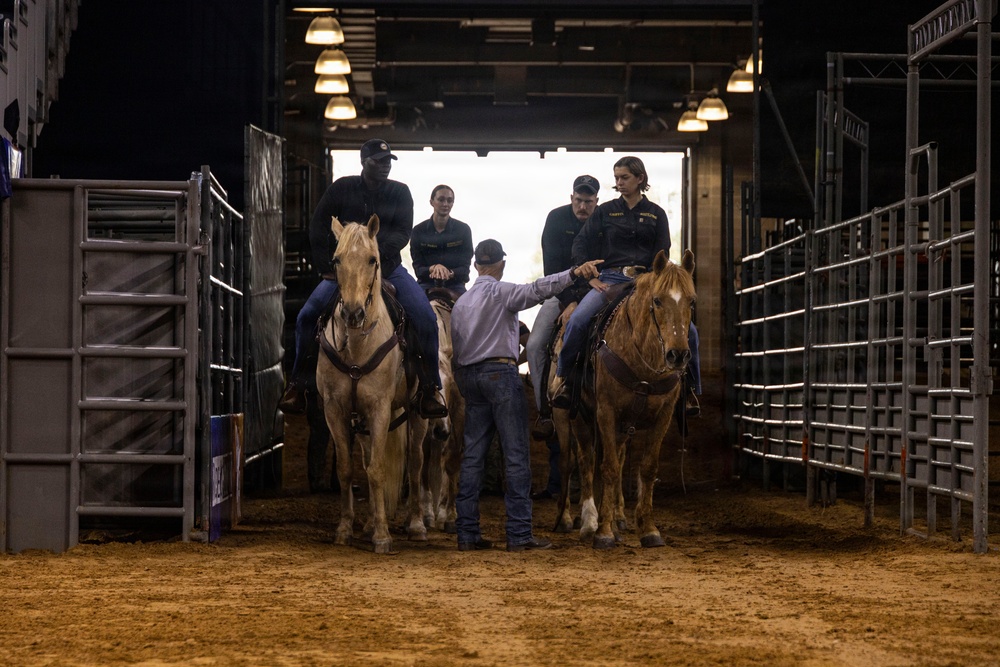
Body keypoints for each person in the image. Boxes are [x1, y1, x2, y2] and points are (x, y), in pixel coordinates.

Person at [279, 138, 448, 419]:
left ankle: (430, 388)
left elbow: (403, 232)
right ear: (363, 162)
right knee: (306, 317)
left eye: (387, 163)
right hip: (344, 273)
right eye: (377, 162)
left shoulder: (400, 192)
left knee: (424, 317)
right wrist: (328, 267)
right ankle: (299, 386)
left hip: (388, 268)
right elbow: (318, 225)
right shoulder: (341, 188)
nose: (384, 167)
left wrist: (373, 252)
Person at [451, 238, 602, 552]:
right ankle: (519, 534)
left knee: (473, 457)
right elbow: (538, 290)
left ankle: (467, 533)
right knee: (516, 456)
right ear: (501, 264)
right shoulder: (502, 292)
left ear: (475, 265)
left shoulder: (462, 303)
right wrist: (573, 273)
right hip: (500, 375)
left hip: (469, 377)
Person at [551, 155, 702, 410]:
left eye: (624, 178)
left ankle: (690, 391)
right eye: (616, 178)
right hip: (610, 280)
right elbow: (580, 243)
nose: (619, 183)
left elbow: (662, 252)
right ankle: (565, 380)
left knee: (692, 332)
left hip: (648, 281)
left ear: (640, 179)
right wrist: (590, 275)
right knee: (577, 321)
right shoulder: (605, 211)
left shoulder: (656, 214)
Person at [524, 174, 599, 498]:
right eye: (579, 200)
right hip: (560, 293)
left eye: (589, 201)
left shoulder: (604, 220)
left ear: (596, 201)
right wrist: (569, 301)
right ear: (572, 198)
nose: (583, 206)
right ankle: (544, 410)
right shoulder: (556, 219)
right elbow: (553, 264)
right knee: (536, 344)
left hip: (597, 292)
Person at [410, 185, 474, 295]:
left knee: (469, 310)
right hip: (426, 284)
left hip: (455, 285)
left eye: (449, 200)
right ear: (431, 202)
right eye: (441, 199)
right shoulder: (418, 230)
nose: (445, 204)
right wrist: (433, 268)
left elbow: (465, 268)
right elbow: (418, 268)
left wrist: (450, 273)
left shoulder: (463, 230)